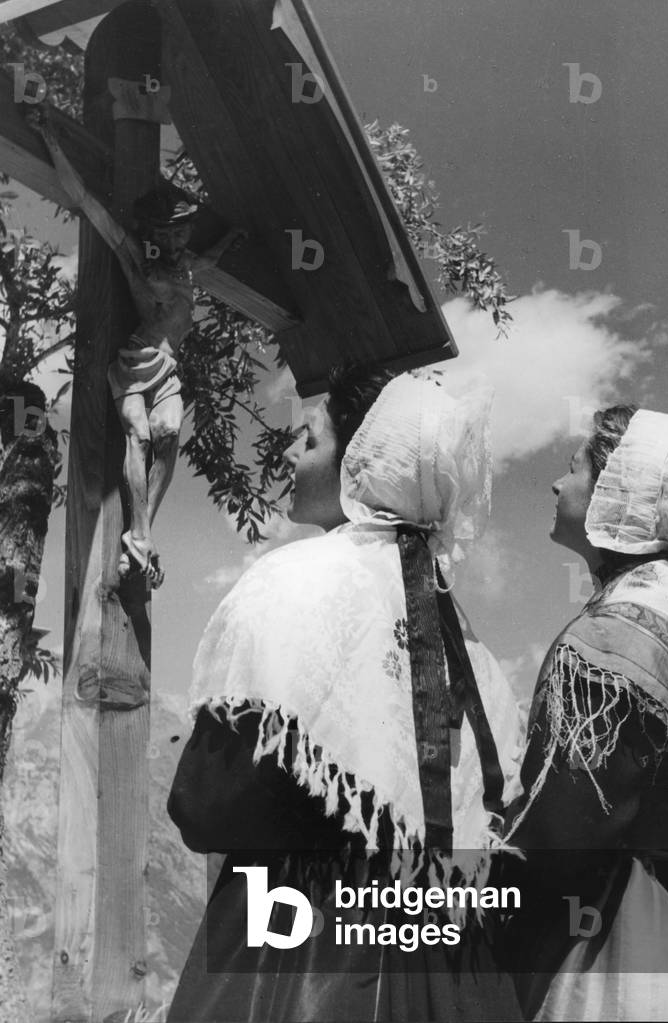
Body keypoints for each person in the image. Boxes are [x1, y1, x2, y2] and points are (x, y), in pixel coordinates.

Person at [165, 363, 524, 1022]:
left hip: (304, 960)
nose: (295, 450)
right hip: (454, 968)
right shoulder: (473, 651)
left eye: (312, 437)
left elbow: (206, 804)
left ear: (361, 457)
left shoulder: (295, 583)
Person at [503, 401, 668, 1022]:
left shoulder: (618, 634)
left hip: (618, 944)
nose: (555, 482)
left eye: (574, 468)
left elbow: (567, 829)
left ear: (616, 491)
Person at [29, 107, 235, 587]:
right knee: (140, 437)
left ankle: (141, 532)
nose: (182, 238)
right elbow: (85, 200)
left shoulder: (186, 268)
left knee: (169, 433)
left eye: (184, 231)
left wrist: (234, 237)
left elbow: (211, 257)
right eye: (173, 232)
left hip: (170, 365)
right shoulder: (135, 259)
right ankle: (139, 539)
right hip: (136, 360)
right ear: (155, 235)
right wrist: (52, 142)